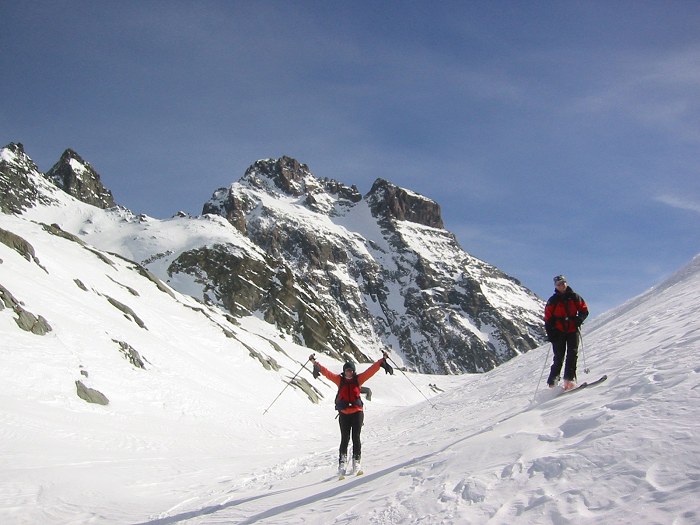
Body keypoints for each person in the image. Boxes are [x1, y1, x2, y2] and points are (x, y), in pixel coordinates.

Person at [309, 352, 393, 475]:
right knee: (344, 438)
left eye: (351, 371)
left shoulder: (358, 379)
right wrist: (314, 363)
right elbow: (327, 373)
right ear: (344, 371)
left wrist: (382, 361)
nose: (349, 373)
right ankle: (342, 463)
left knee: (356, 437)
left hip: (357, 413)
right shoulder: (339, 380)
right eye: (347, 371)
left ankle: (356, 461)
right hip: (344, 414)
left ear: (353, 372)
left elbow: (370, 371)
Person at [544, 275, 589, 391]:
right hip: (558, 331)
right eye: (559, 284)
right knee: (559, 357)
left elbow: (584, 310)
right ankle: (553, 383)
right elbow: (548, 319)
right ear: (556, 286)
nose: (561, 285)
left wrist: (579, 320)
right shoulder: (552, 301)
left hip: (572, 329)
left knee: (572, 354)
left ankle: (569, 380)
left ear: (566, 283)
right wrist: (551, 334)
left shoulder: (574, 297)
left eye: (563, 283)